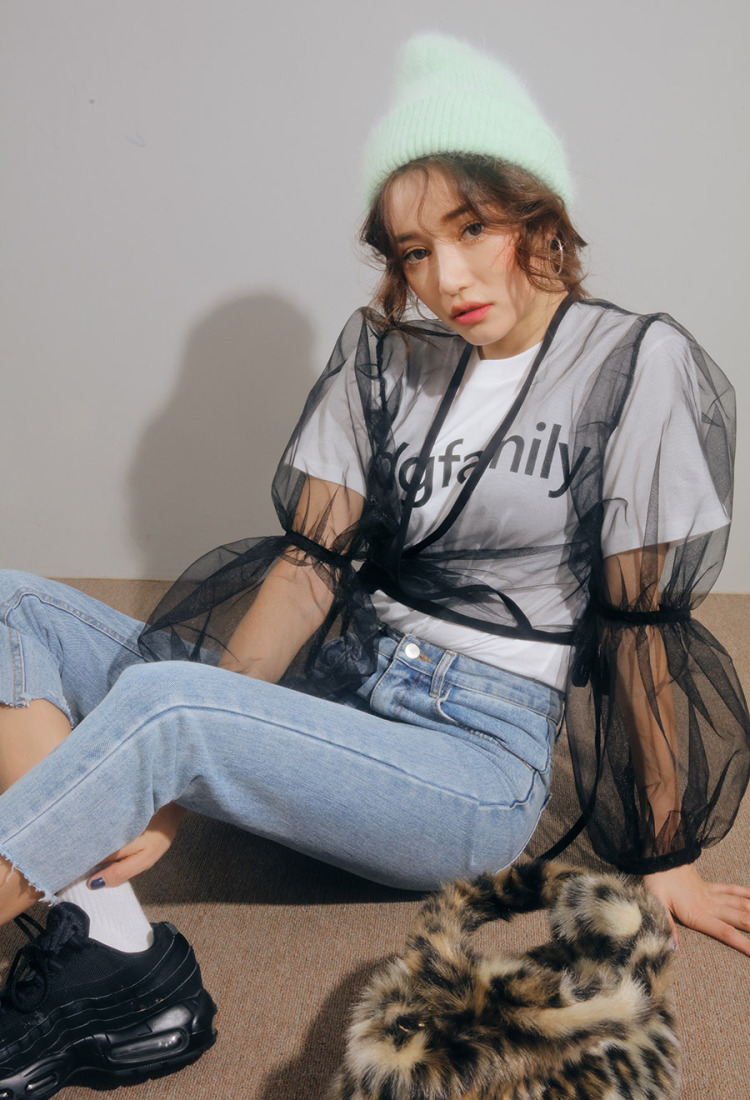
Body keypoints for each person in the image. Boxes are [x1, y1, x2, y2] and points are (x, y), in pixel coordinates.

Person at [1, 31, 749, 1098]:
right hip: (344, 683)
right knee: (12, 606)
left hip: (471, 761)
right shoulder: (388, 356)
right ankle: (108, 939)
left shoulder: (632, 365)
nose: (445, 278)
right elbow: (307, 570)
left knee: (166, 707)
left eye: (472, 228)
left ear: (537, 213)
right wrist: (182, 766)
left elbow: (643, 628)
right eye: (412, 251)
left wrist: (668, 852)